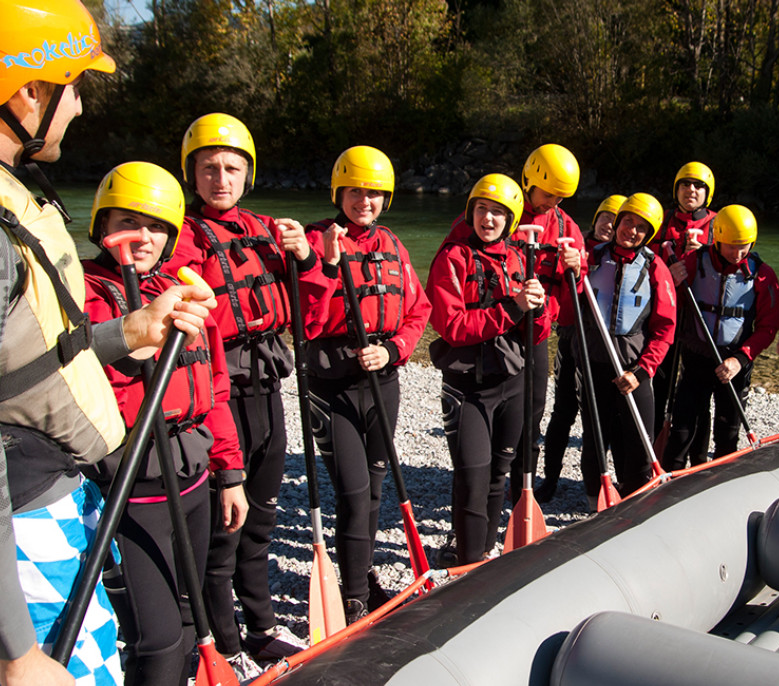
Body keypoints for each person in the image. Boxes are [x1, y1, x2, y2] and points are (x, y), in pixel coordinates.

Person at [0, 3, 213, 684]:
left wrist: (128, 331)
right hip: (24, 521)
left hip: (55, 498)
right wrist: (15, 651)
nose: (80, 108)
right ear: (29, 90)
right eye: (74, 86)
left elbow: (25, 358)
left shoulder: (14, 196)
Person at [82, 162, 249, 685]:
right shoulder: (81, 293)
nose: (144, 236)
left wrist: (232, 472)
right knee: (155, 639)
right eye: (128, 221)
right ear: (102, 226)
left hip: (195, 473)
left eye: (156, 226)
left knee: (188, 612)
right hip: (131, 484)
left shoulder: (187, 296)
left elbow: (215, 388)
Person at [166, 113, 311, 672]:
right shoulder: (179, 236)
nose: (220, 179)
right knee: (227, 519)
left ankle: (262, 623)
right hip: (219, 394)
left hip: (267, 386)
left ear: (246, 175)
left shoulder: (268, 229)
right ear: (192, 175)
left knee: (264, 515)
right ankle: (223, 639)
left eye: (231, 168)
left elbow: (311, 307)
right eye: (208, 168)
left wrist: (305, 258)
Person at [299, 146, 431, 623]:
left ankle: (363, 572)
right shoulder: (316, 241)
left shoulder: (393, 244)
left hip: (384, 379)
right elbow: (304, 321)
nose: (365, 201)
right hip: (333, 385)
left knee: (374, 489)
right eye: (356, 191)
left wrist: (394, 349)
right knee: (353, 492)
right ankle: (353, 597)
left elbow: (419, 311)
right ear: (340, 192)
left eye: (374, 193)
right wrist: (329, 267)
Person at [426, 174, 545, 566]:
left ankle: (486, 548)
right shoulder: (452, 258)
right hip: (468, 389)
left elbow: (538, 331)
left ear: (509, 220)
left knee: (499, 472)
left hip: (512, 381)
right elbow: (453, 327)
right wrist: (512, 307)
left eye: (497, 212)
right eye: (482, 210)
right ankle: (468, 559)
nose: (489, 219)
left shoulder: (517, 258)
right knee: (472, 479)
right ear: (470, 212)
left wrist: (540, 306)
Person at [662, 205, 779, 469]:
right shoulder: (694, 262)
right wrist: (674, 282)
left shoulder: (762, 275)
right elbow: (673, 305)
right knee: (682, 428)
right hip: (696, 358)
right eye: (730, 246)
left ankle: (719, 479)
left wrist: (741, 359)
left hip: (734, 362)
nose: (738, 253)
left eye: (744, 246)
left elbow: (768, 327)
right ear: (717, 239)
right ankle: (672, 479)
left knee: (727, 431)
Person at [577, 193, 676, 497]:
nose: (631, 230)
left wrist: (642, 372)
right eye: (627, 221)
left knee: (637, 441)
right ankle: (596, 496)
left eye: (641, 227)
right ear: (618, 221)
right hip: (596, 365)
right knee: (595, 438)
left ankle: (635, 494)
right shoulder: (591, 258)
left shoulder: (655, 267)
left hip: (634, 371)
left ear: (649, 235)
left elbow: (665, 328)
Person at [509, 144, 586, 505]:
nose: (552, 201)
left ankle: (521, 485)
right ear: (529, 181)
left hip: (537, 332)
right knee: (501, 407)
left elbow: (575, 292)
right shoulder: (503, 210)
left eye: (559, 196)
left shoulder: (565, 226)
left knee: (534, 408)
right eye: (547, 193)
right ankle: (493, 480)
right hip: (500, 327)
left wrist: (577, 267)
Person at [537, 194, 625, 503]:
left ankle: (597, 480)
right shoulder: (573, 243)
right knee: (563, 412)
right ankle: (549, 477)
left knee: (597, 417)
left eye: (615, 222)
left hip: (600, 350)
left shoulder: (620, 257)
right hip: (571, 341)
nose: (609, 225)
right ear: (596, 218)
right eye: (605, 217)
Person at [654, 163, 717, 464]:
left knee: (697, 390)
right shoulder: (663, 221)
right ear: (676, 189)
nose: (691, 190)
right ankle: (653, 449)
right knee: (660, 384)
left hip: (700, 321)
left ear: (707, 192)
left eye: (698, 186)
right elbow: (645, 260)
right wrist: (668, 271)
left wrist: (703, 251)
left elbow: (730, 262)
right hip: (665, 314)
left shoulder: (718, 225)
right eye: (685, 185)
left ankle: (699, 456)